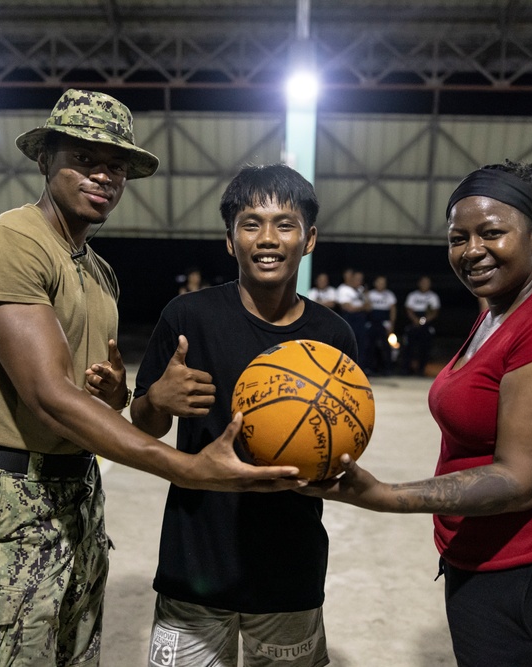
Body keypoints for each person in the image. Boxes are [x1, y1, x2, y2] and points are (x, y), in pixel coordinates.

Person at [0, 90, 304, 667]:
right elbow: (48, 397)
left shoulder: (98, 272)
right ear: (45, 159)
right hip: (9, 497)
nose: (104, 175)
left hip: (77, 491)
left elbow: (93, 401)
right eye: (84, 158)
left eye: (117, 166)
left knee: (73, 653)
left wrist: (126, 397)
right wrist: (188, 469)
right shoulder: (7, 244)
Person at [302, 160, 532, 667]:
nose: (472, 250)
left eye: (492, 233)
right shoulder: (495, 313)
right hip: (488, 564)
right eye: (458, 237)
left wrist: (385, 495)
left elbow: (519, 479)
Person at [129, 163, 356, 667]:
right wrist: (155, 400)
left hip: (288, 570)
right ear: (230, 241)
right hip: (194, 564)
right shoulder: (188, 317)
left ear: (310, 238)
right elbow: (145, 426)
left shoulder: (334, 335)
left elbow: (340, 446)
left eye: (285, 224)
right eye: (251, 223)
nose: (268, 238)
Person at [400, 275, 441, 377]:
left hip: (426, 323)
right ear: (419, 283)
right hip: (413, 322)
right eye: (423, 282)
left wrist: (425, 320)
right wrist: (415, 319)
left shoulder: (433, 296)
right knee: (408, 347)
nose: (424, 285)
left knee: (425, 348)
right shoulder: (413, 295)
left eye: (427, 282)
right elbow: (408, 309)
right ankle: (406, 369)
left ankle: (421, 370)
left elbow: (435, 312)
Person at [365, 274, 397, 376]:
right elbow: (367, 308)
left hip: (384, 323)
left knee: (385, 346)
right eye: (379, 282)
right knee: (370, 346)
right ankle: (370, 368)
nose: (381, 284)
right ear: (375, 283)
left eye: (383, 283)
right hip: (372, 322)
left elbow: (393, 310)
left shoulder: (389, 295)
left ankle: (387, 368)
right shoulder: (370, 294)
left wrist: (392, 324)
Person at [335, 268, 370, 362]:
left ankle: (362, 367)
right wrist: (363, 307)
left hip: (361, 320)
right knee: (350, 344)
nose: (359, 281)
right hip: (349, 320)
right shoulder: (343, 289)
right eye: (357, 279)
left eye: (361, 279)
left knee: (362, 344)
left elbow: (369, 307)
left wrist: (365, 297)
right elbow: (348, 308)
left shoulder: (361, 290)